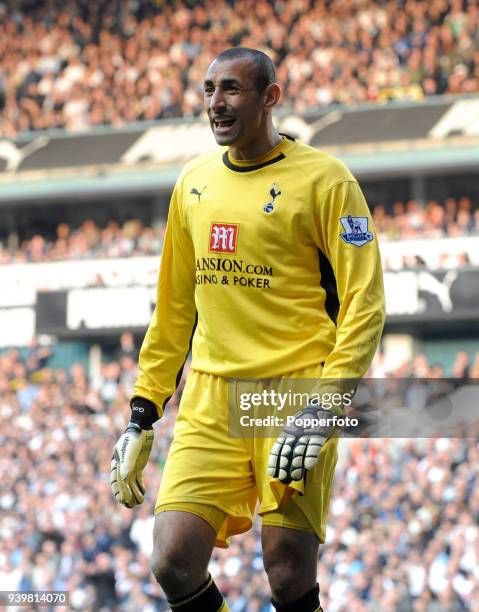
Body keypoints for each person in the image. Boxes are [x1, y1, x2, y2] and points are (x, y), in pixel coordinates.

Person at [111, 47, 385, 612]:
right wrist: (143, 412)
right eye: (209, 90)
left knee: (286, 572)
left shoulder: (327, 181)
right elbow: (173, 308)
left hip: (294, 391)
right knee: (172, 562)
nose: (216, 103)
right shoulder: (192, 184)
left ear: (271, 98)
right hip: (210, 396)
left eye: (232, 89)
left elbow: (366, 302)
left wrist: (327, 404)